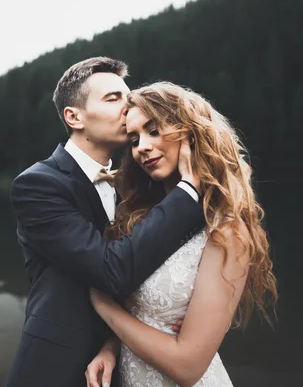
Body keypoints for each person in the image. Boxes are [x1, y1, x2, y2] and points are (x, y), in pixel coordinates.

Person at [5, 58, 207, 386]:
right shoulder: (38, 184)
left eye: (129, 99)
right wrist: (188, 192)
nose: (127, 108)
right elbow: (113, 272)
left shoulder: (138, 183)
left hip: (122, 360)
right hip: (56, 369)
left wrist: (113, 343)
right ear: (74, 116)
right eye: (113, 99)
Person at [85, 82, 278, 387]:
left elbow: (188, 366)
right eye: (134, 139)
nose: (141, 147)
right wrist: (110, 348)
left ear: (189, 134)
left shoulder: (226, 230)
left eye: (153, 130)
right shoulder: (141, 218)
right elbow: (139, 312)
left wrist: (104, 307)